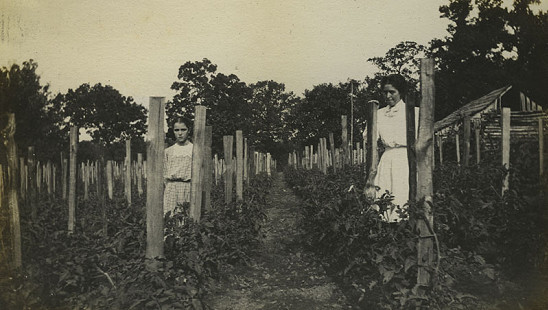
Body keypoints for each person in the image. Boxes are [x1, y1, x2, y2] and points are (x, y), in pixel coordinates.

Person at [373, 74, 418, 222]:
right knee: (385, 198)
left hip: (406, 160)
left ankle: (405, 230)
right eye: (385, 92)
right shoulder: (379, 114)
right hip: (387, 159)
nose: (388, 96)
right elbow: (370, 139)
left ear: (401, 92)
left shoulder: (413, 112)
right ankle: (386, 232)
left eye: (392, 92)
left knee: (403, 195)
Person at [163, 117, 193, 215]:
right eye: (177, 130)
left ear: (189, 130)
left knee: (187, 217)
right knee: (170, 217)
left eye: (183, 130)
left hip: (189, 188)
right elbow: (164, 173)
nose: (180, 133)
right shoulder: (168, 151)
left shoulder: (194, 149)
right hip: (171, 189)